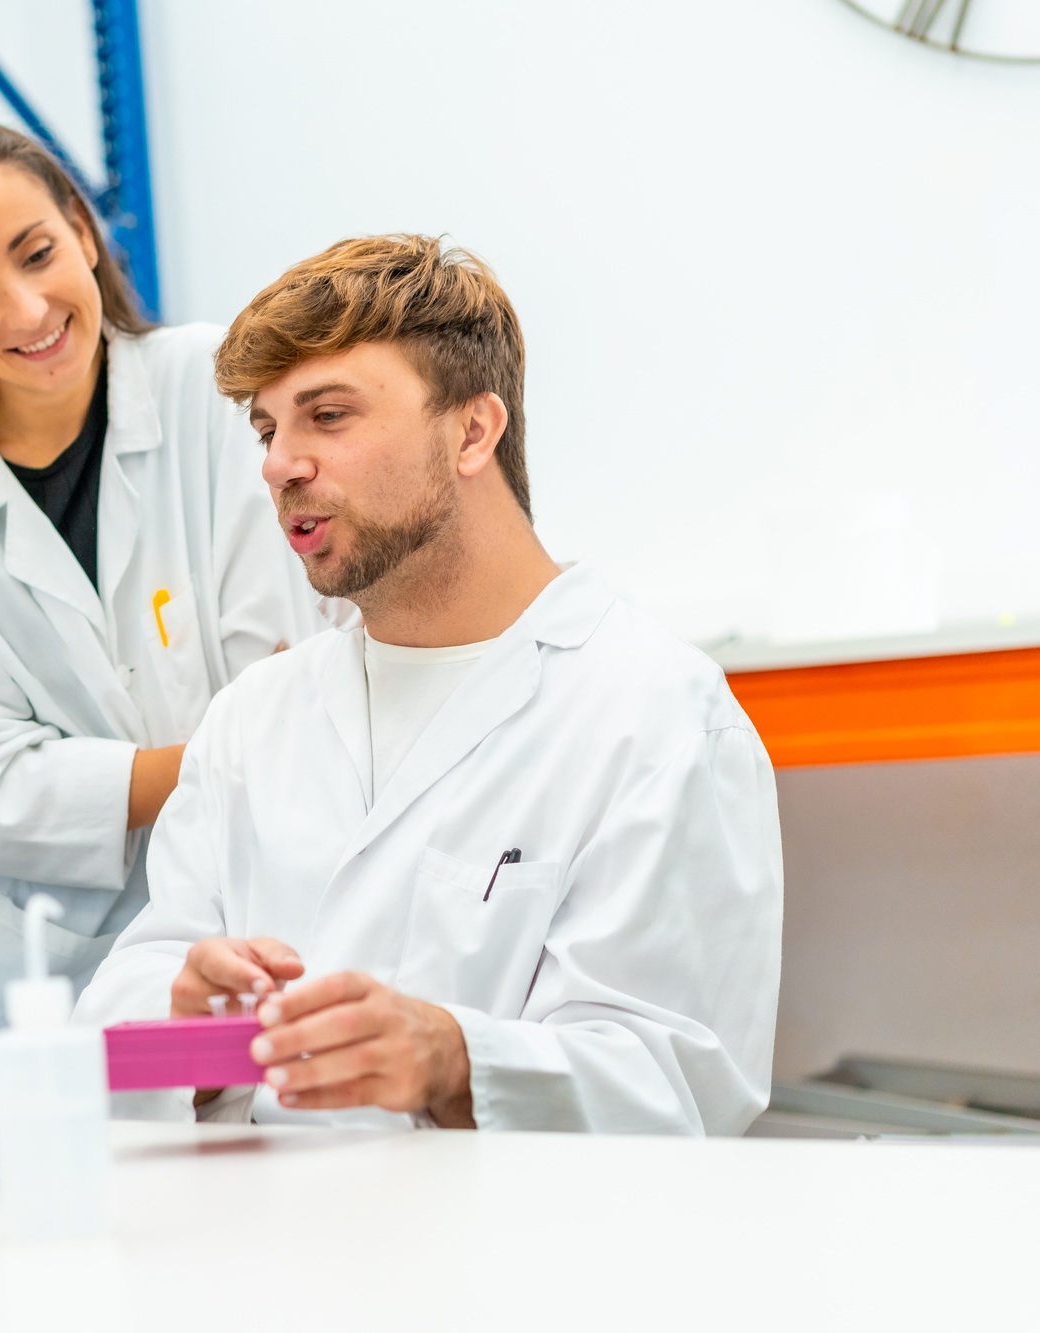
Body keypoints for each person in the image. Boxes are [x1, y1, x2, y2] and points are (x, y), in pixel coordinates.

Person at [75, 235, 783, 1134]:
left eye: (326, 416)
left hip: (510, 1265)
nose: (278, 464)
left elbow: (681, 1088)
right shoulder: (252, 721)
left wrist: (454, 1061)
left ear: (473, 431)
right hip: (254, 1260)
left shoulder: (657, 716)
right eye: (266, 428)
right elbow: (112, 1061)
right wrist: (191, 1028)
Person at [0, 123, 325, 1115]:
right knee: (8, 1240)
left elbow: (290, 658)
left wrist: (204, 759)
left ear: (83, 234)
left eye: (37, 253)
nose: (25, 308)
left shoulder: (213, 392)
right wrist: (214, 761)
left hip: (220, 921)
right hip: (3, 968)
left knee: (220, 1216)